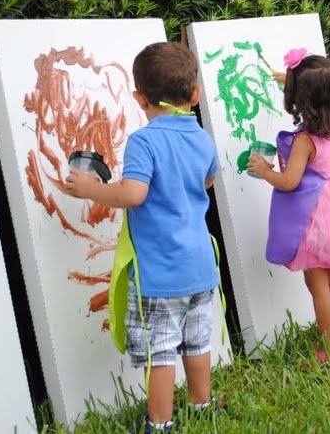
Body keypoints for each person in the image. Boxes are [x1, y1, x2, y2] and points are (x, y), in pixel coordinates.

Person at [65, 42, 219, 433]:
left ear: (139, 97)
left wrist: (89, 190)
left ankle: (160, 424)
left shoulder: (144, 141)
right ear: (195, 95)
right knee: (197, 342)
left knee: (162, 352)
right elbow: (209, 179)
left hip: (160, 275)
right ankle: (203, 406)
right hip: (200, 268)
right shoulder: (202, 137)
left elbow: (134, 193)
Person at [247, 52, 330, 363]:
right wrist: (290, 81)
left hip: (312, 218)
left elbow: (290, 182)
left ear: (301, 100)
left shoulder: (304, 141)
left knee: (318, 284)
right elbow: (319, 87)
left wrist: (265, 170)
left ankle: (328, 348)